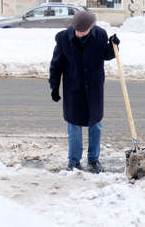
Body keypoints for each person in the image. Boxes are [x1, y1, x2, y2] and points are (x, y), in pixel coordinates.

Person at [49, 11, 120, 173]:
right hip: (73, 89)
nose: (79, 34)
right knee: (74, 127)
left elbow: (106, 55)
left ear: (92, 27)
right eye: (77, 30)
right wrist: (54, 86)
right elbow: (56, 65)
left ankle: (93, 160)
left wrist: (113, 46)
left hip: (94, 88)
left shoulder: (100, 35)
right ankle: (74, 161)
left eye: (83, 31)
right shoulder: (63, 39)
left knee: (95, 125)